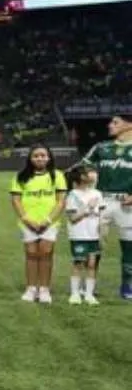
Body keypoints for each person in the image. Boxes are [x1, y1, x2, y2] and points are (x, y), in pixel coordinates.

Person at [73, 114, 132, 300]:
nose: (110, 125)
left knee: (129, 247)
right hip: (102, 202)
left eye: (115, 122)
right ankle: (88, 285)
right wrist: (87, 179)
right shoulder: (101, 147)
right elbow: (82, 167)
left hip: (127, 204)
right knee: (93, 244)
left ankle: (128, 287)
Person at [9, 145, 67, 304]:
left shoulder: (57, 176)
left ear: (49, 158)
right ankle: (31, 288)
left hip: (50, 222)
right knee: (31, 254)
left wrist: (48, 221)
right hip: (28, 222)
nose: (40, 158)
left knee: (46, 254)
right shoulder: (20, 176)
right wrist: (27, 219)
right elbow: (16, 200)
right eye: (36, 156)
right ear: (30, 158)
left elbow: (61, 201)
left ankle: (44, 289)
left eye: (43, 155)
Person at [65, 165, 104, 305]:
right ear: (80, 177)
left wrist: (102, 230)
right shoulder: (73, 195)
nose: (92, 175)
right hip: (79, 234)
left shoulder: (97, 194)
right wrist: (88, 207)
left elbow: (101, 214)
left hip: (93, 235)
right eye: (88, 173)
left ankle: (89, 294)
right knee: (78, 263)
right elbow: (72, 218)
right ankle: (75, 293)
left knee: (92, 264)